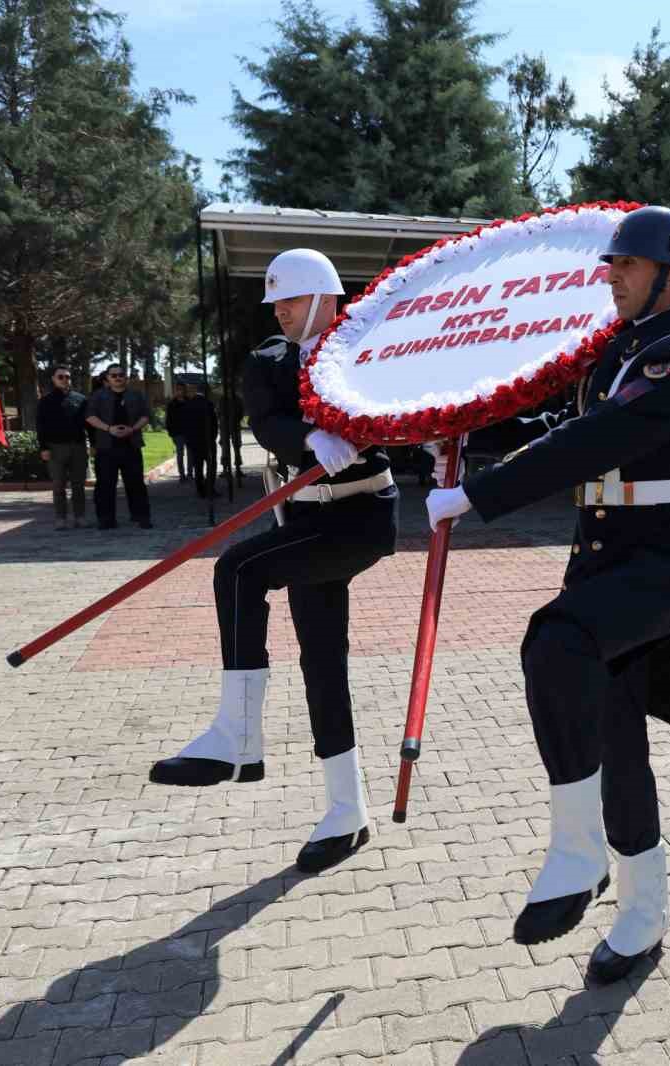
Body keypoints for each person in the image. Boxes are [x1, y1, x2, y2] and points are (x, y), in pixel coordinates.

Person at [425, 205, 670, 985]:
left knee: (553, 641)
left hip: (664, 565)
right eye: (612, 266)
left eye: (626, 266)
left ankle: (578, 854)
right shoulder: (619, 354)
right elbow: (563, 421)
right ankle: (642, 918)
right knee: (619, 744)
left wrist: (478, 496)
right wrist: (464, 434)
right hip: (606, 563)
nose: (612, 277)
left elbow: (592, 443)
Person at [148, 247, 401, 873]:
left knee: (237, 569)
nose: (280, 311)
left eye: (290, 299)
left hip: (361, 514)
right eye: (276, 302)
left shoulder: (371, 345)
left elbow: (406, 406)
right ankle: (349, 810)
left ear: (325, 297)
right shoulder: (268, 361)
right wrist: (310, 437)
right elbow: (267, 421)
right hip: (304, 516)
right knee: (321, 660)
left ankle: (237, 737)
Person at [85, 366, 153, 530]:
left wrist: (133, 429)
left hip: (131, 445)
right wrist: (109, 429)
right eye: (113, 375)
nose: (117, 378)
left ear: (126, 378)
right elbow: (90, 416)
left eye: (121, 375)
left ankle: (141, 517)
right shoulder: (98, 396)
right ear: (107, 378)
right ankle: (106, 519)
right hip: (106, 447)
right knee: (105, 485)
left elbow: (145, 416)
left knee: (136, 484)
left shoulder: (136, 395)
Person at [37, 365, 90, 530]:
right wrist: (43, 448)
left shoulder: (81, 399)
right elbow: (40, 426)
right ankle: (60, 518)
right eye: (60, 377)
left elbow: (89, 424)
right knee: (58, 485)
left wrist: (93, 444)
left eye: (67, 377)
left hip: (78, 447)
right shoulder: (45, 402)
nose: (65, 380)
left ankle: (79, 517)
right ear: (53, 379)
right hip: (55, 448)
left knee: (78, 484)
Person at [165, 383, 192, 481]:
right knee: (180, 454)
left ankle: (190, 474)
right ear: (175, 391)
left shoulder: (190, 402)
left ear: (184, 390)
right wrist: (171, 432)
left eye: (181, 389)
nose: (180, 391)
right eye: (178, 389)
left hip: (189, 432)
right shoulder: (172, 404)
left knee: (190, 454)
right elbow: (168, 420)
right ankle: (182, 475)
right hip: (177, 433)